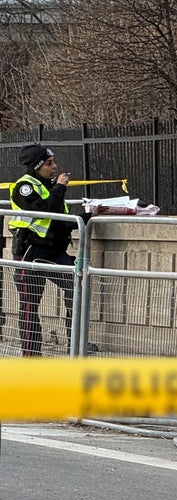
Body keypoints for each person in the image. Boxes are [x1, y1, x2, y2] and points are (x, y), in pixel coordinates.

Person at [9, 145, 81, 356]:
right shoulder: (24, 186)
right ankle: (32, 358)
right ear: (37, 166)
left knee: (77, 286)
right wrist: (59, 188)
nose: (55, 167)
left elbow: (62, 224)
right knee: (30, 305)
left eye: (54, 162)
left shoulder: (50, 188)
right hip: (30, 253)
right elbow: (43, 211)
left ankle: (75, 346)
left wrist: (89, 216)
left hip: (53, 253)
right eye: (49, 163)